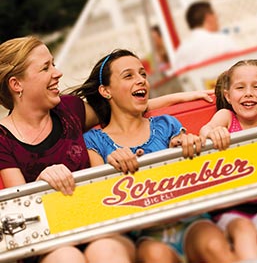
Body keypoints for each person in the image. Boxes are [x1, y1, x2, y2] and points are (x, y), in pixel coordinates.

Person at [0, 36, 214, 263]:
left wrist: (180, 98)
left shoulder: (70, 109)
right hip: (53, 241)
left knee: (103, 251)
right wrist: (41, 184)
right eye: (46, 68)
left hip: (97, 226)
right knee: (67, 258)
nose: (57, 72)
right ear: (16, 84)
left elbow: (122, 108)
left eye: (53, 63)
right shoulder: (3, 138)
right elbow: (20, 210)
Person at [70, 48, 239, 263]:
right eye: (129, 76)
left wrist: (189, 145)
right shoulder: (94, 140)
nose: (140, 80)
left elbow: (192, 167)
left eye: (142, 74)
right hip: (146, 233)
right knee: (155, 256)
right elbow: (100, 196)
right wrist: (111, 170)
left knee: (213, 244)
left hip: (190, 221)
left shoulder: (166, 125)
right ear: (106, 91)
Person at [199, 59, 257, 261]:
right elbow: (207, 130)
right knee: (243, 230)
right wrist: (214, 133)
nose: (248, 93)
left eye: (256, 87)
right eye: (240, 87)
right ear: (228, 96)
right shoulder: (227, 117)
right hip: (233, 210)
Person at [172, 0, 238, 72]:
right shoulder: (222, 40)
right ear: (208, 17)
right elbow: (239, 66)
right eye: (216, 16)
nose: (217, 20)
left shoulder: (181, 51)